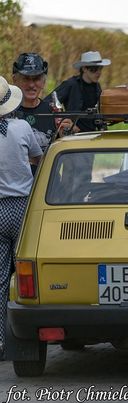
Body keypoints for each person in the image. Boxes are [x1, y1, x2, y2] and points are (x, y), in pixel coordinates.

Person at [0, 75, 42, 360]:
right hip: (22, 208)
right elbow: (39, 158)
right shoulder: (22, 127)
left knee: (1, 279)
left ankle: (0, 341)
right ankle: (24, 339)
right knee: (26, 278)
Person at [12, 53, 73, 152]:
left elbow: (66, 154)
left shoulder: (54, 112)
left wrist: (66, 133)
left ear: (44, 82)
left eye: (36, 79)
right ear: (15, 80)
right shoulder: (5, 112)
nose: (31, 85)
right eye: (26, 78)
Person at [47, 51, 111, 132]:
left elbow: (99, 112)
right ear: (84, 68)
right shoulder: (71, 84)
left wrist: (103, 130)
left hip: (92, 136)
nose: (98, 72)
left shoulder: (97, 86)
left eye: (100, 68)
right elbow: (49, 103)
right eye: (94, 69)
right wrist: (67, 123)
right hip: (73, 136)